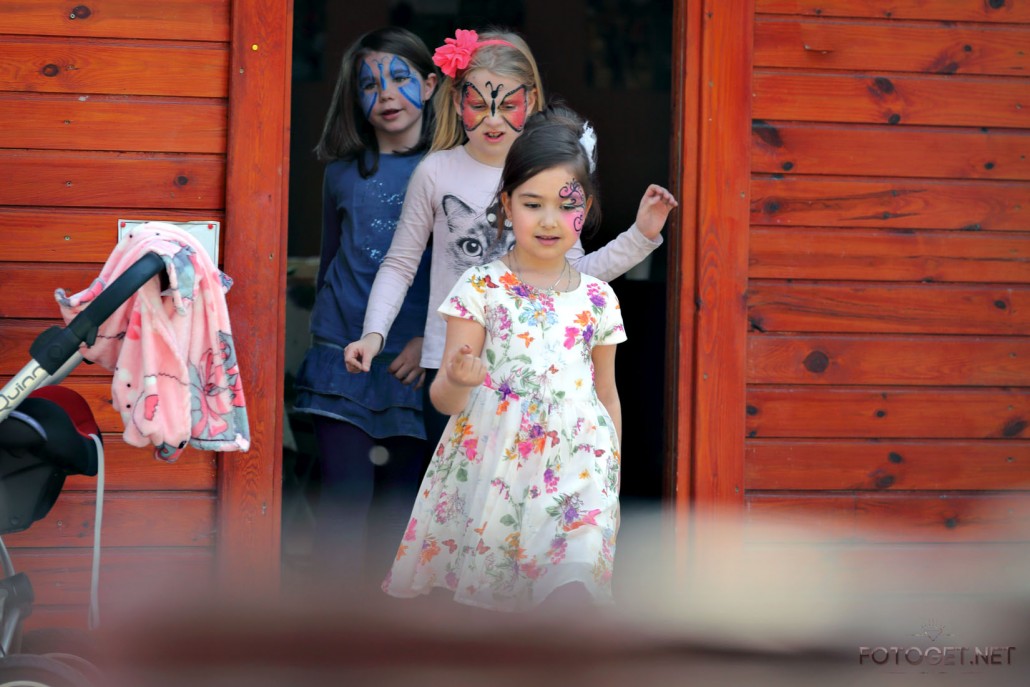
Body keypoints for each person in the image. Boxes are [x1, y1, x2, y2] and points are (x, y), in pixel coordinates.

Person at [382, 104, 671, 611]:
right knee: (496, 614)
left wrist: (612, 480)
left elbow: (606, 396)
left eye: (566, 205)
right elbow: (445, 401)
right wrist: (458, 379)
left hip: (579, 477)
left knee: (570, 596)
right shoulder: (480, 287)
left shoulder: (598, 298)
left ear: (587, 208)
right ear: (506, 204)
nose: (550, 220)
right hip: (497, 475)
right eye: (532, 204)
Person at [344, 28, 678, 447]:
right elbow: (399, 264)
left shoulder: (549, 176)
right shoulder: (434, 172)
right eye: (478, 105)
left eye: (508, 106)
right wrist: (373, 334)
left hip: (533, 367)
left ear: (531, 101)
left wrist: (641, 236)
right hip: (452, 366)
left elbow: (575, 276)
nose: (493, 120)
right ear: (456, 101)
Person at [291, 27, 438, 581]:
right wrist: (326, 337)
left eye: (400, 79)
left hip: (414, 363)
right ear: (355, 97)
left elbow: (469, 272)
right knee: (344, 504)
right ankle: (332, 623)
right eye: (370, 84)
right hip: (343, 358)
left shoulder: (449, 170)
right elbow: (332, 257)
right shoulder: (341, 174)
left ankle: (383, 624)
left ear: (430, 84)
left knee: (400, 511)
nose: (387, 94)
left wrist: (431, 340)